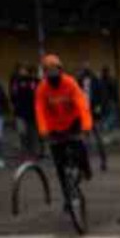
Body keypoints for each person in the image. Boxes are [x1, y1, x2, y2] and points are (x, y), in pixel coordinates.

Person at [35, 54, 95, 191]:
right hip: (54, 127)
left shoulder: (70, 83)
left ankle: (85, 168)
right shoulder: (42, 88)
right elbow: (40, 110)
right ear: (45, 73)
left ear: (60, 70)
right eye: (48, 71)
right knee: (59, 164)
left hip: (72, 122)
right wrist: (43, 130)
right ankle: (67, 195)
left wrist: (86, 125)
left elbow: (82, 104)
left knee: (79, 146)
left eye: (55, 70)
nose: (52, 73)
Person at [11, 65, 40, 160]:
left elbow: (37, 95)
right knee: (22, 133)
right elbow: (13, 95)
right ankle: (24, 152)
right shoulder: (16, 81)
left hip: (32, 113)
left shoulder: (34, 81)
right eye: (21, 70)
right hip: (20, 112)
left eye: (24, 70)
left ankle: (33, 153)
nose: (22, 72)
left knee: (32, 134)